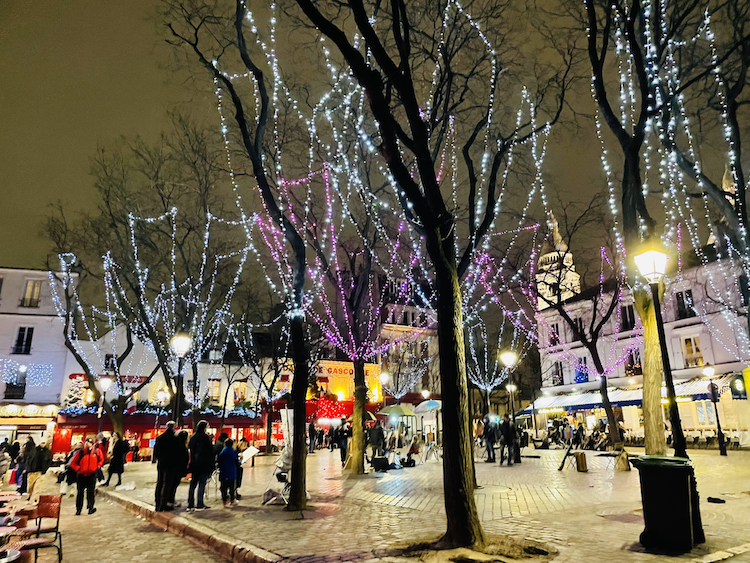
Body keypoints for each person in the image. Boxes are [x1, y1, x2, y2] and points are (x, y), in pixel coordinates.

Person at [70, 438, 104, 515]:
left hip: (91, 475)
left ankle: (90, 508)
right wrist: (78, 468)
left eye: (91, 443)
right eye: (88, 442)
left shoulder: (97, 452)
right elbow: (73, 463)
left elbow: (101, 460)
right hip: (81, 475)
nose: (89, 444)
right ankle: (78, 509)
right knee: (80, 493)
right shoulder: (81, 452)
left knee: (91, 493)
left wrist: (97, 466)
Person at [187, 421, 214, 511]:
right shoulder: (205, 437)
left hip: (194, 464)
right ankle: (200, 502)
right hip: (203, 464)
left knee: (193, 485)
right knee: (202, 484)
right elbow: (210, 450)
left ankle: (190, 503)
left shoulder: (193, 437)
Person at [153, 422, 178, 512]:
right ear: (173, 427)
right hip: (170, 463)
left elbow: (156, 451)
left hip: (162, 463)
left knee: (159, 483)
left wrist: (159, 458)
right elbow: (176, 452)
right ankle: (163, 503)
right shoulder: (174, 439)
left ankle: (158, 503)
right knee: (167, 483)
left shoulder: (160, 438)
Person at [171, 431, 190, 508]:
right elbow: (184, 459)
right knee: (174, 485)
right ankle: (171, 500)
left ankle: (170, 500)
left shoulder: (174, 446)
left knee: (172, 485)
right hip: (179, 469)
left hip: (175, 468)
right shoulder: (183, 447)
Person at [218, 438, 239, 507]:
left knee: (223, 488)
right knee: (232, 488)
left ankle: (224, 502)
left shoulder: (222, 452)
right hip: (232, 472)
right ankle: (232, 500)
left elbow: (219, 461)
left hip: (224, 472)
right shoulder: (233, 451)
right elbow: (236, 461)